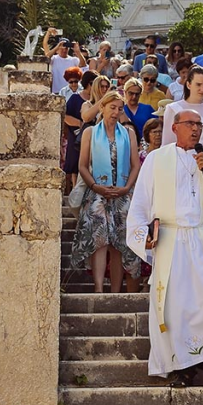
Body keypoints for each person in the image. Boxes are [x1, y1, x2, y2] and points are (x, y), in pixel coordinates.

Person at [127, 109, 203, 386]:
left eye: (199, 124)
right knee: (176, 304)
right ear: (175, 127)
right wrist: (141, 236)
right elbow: (140, 204)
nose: (196, 129)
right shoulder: (157, 160)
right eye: (190, 124)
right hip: (171, 240)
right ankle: (183, 364)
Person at [72, 91, 143, 294]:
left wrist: (127, 188)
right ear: (102, 107)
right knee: (99, 241)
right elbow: (83, 166)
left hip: (122, 193)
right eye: (112, 107)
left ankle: (115, 291)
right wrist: (95, 187)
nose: (116, 112)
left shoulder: (128, 134)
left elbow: (135, 165)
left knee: (119, 244)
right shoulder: (90, 133)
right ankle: (98, 290)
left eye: (120, 109)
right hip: (97, 193)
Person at [162, 66, 203, 152]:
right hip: (182, 160)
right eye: (198, 84)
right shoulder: (173, 108)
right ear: (188, 85)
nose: (202, 89)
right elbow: (167, 144)